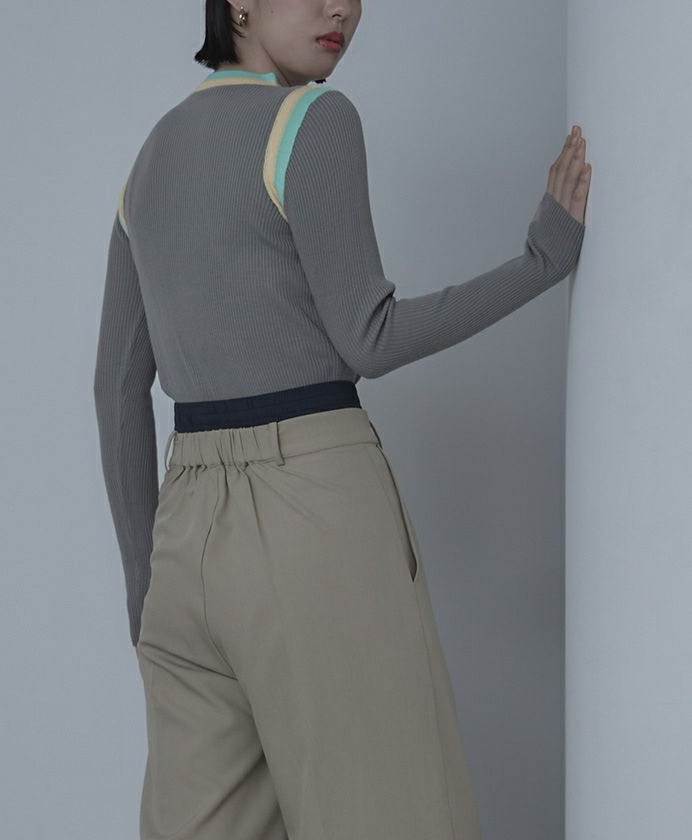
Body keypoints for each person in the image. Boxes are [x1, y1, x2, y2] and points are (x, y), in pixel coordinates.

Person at [93, 1, 591, 838]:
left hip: (182, 541)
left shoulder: (150, 158)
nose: (343, 9)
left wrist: (146, 587)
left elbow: (115, 387)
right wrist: (541, 261)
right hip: (313, 512)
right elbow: (370, 336)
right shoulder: (312, 119)